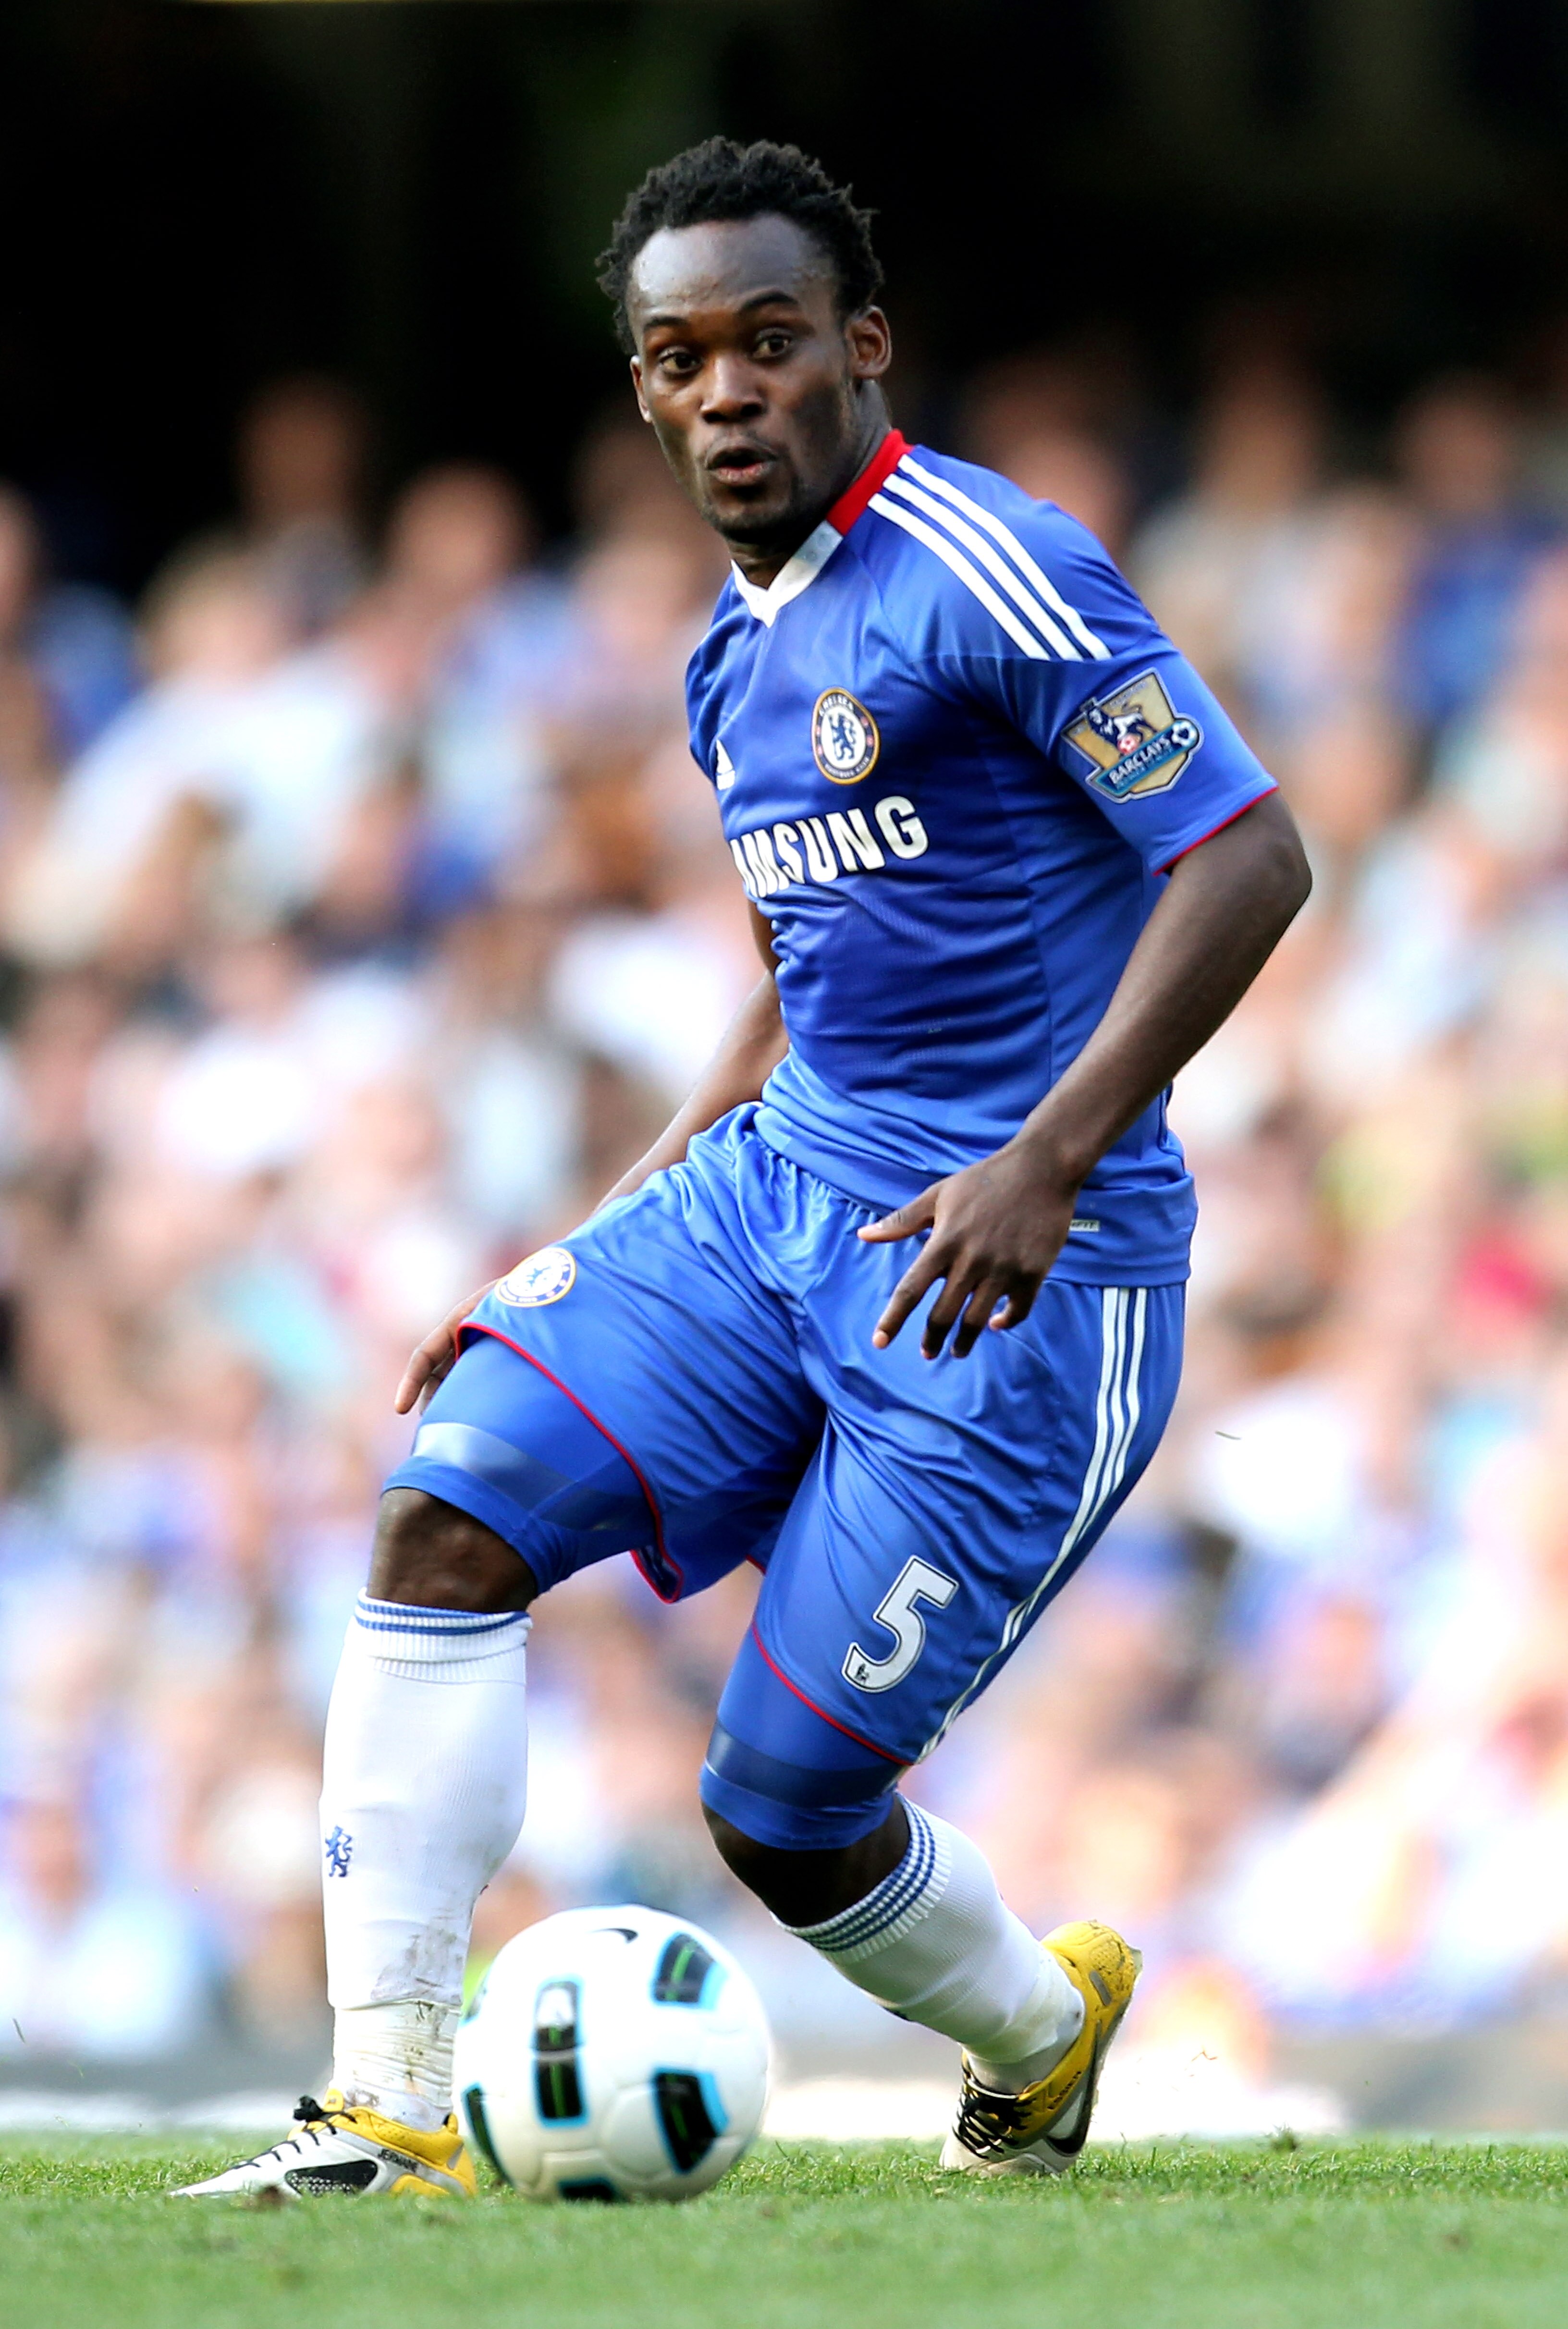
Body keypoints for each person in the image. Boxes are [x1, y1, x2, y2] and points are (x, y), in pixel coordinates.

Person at [184, 138, 1309, 2201]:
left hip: (1023, 1275)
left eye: (768, 343)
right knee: (446, 1504)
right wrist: (616, 1219)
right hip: (781, 1189)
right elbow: (805, 969)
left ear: (861, 348)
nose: (724, 393)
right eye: (678, 357)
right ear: (642, 387)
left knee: (782, 1815)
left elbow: (1249, 855)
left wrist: (1047, 1160)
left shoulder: (994, 565)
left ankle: (1041, 2032)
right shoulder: (729, 653)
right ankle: (385, 2107)